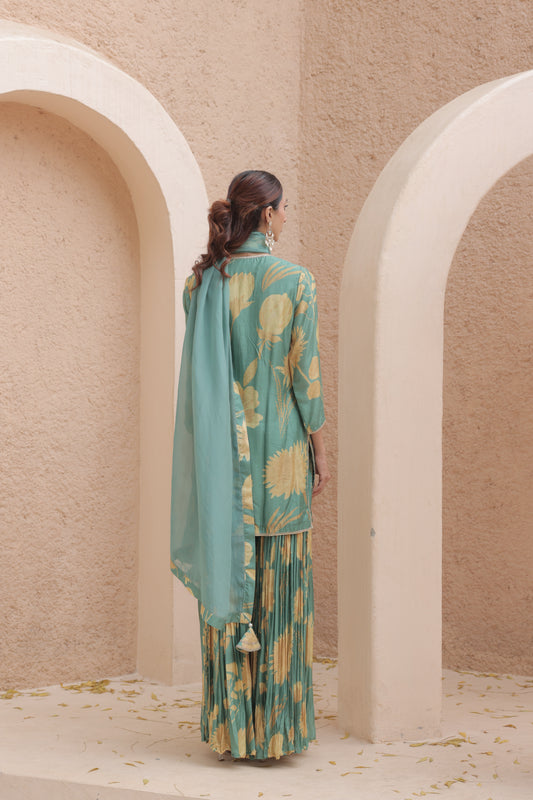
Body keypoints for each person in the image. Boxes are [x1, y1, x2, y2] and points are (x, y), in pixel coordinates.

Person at [170, 170, 330, 762]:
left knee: (229, 580)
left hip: (220, 469)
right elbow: (305, 379)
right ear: (266, 215)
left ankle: (230, 730)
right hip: (279, 465)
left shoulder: (201, 285)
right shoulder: (295, 281)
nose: (286, 217)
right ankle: (275, 733)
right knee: (278, 593)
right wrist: (319, 449)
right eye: (283, 208)